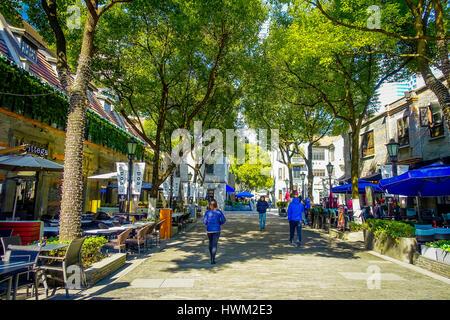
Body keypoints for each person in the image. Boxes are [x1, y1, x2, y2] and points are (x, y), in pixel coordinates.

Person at [203, 199, 226, 264]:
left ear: (210, 205)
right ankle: (213, 259)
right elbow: (224, 220)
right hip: (217, 230)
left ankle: (211, 257)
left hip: (209, 230)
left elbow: (204, 222)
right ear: (216, 205)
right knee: (214, 244)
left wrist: (208, 223)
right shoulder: (219, 212)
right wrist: (219, 223)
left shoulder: (207, 212)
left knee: (210, 243)